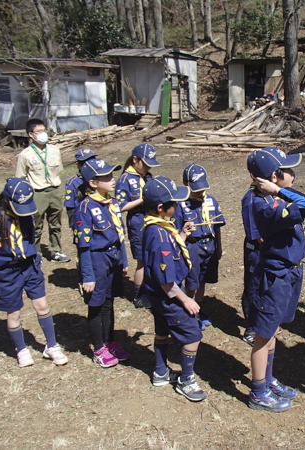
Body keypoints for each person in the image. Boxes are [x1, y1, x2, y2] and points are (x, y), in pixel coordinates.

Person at [0, 178, 68, 368]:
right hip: (5, 272)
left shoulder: (26, 213)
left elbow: (30, 238)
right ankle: (22, 349)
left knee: (42, 305)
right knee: (13, 313)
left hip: (29, 266)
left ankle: (52, 346)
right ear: (7, 201)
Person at [246, 147, 305, 412]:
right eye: (287, 171)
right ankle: (258, 392)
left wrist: (278, 191)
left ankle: (267, 378)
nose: (293, 174)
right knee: (263, 335)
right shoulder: (263, 204)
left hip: (289, 272)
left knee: (274, 329)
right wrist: (277, 192)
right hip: (274, 276)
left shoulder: (275, 197)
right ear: (273, 178)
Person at [142, 176, 208, 402]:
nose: (178, 205)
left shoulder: (157, 227)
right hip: (168, 294)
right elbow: (165, 280)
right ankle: (186, 380)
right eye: (175, 203)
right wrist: (185, 300)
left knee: (162, 331)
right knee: (192, 335)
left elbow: (166, 253)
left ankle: (161, 372)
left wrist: (181, 235)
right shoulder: (158, 235)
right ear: (161, 208)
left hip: (158, 294)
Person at [75, 158, 130, 368]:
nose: (112, 179)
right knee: (96, 306)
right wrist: (87, 275)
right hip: (97, 260)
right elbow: (83, 246)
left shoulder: (113, 203)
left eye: (111, 175)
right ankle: (98, 349)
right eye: (106, 177)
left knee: (109, 303)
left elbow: (119, 233)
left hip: (113, 258)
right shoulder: (85, 207)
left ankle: (110, 342)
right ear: (93, 183)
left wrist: (122, 260)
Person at [171, 164, 226, 330]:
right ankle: (189, 310)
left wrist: (219, 247)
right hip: (191, 247)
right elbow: (175, 231)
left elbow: (217, 225)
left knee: (203, 279)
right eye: (195, 188)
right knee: (192, 280)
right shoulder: (180, 204)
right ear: (185, 184)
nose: (199, 191)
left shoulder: (211, 200)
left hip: (209, 245)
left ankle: (199, 308)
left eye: (202, 187)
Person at [15, 118, 70, 262]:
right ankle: (35, 252)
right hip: (37, 193)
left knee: (56, 224)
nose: (42, 134)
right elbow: (20, 178)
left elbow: (58, 170)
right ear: (31, 135)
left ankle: (56, 251)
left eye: (44, 130)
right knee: (35, 225)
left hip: (55, 191)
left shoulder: (54, 150)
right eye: (38, 131)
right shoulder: (25, 155)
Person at [115, 143, 160, 309]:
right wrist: (143, 199)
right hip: (138, 223)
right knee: (142, 260)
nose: (148, 167)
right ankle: (139, 294)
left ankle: (152, 288)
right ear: (135, 160)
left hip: (153, 221)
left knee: (153, 256)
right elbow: (120, 206)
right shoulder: (125, 180)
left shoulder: (147, 176)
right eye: (146, 163)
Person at [240, 181, 262, 346]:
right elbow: (256, 234)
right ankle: (251, 328)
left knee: (265, 286)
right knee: (252, 288)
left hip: (268, 250)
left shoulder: (270, 194)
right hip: (256, 251)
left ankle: (262, 322)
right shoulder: (251, 198)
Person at [64, 148, 98, 234]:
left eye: (92, 161)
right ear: (77, 164)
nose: (89, 165)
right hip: (82, 219)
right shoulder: (72, 182)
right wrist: (73, 225)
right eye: (85, 163)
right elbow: (70, 206)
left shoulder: (100, 179)